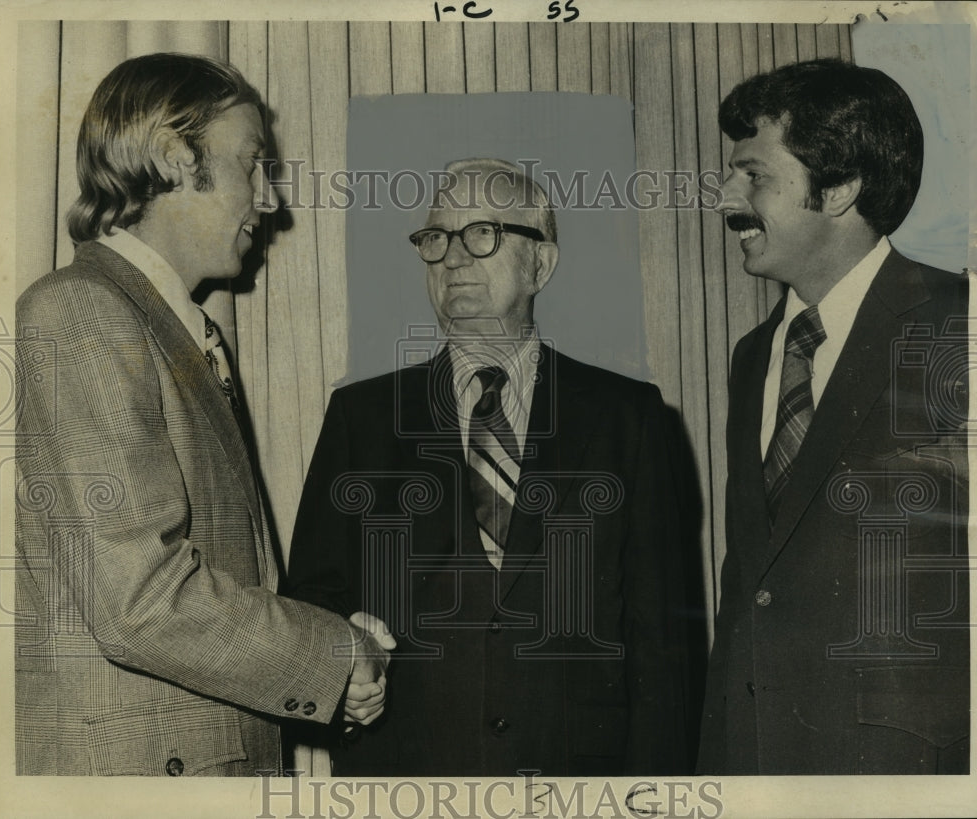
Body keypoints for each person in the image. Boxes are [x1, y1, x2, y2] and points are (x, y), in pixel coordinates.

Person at [14, 52, 393, 777]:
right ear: (170, 157)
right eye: (251, 164)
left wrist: (331, 649)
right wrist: (334, 652)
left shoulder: (181, 331)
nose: (270, 198)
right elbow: (142, 599)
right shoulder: (82, 311)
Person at [286, 158, 695, 776]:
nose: (452, 258)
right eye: (435, 238)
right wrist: (347, 670)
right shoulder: (362, 417)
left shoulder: (629, 417)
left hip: (577, 784)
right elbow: (310, 605)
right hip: (405, 780)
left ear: (542, 264)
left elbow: (662, 641)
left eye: (483, 233)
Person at [697, 59, 969, 774]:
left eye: (752, 174)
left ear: (841, 188)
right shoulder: (754, 355)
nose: (724, 195)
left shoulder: (957, 325)